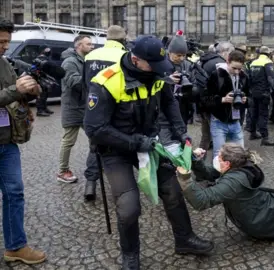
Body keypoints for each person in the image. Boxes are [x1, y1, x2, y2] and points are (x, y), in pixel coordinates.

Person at [84, 36, 213, 269]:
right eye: (153, 65)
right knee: (129, 204)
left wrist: (182, 133)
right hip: (116, 149)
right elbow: (95, 129)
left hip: (149, 143)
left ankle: (184, 239)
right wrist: (134, 142)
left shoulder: (157, 75)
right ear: (136, 60)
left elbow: (169, 105)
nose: (159, 71)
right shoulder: (106, 82)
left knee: (172, 190)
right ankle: (130, 255)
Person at [175, 143, 274, 240]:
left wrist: (185, 178)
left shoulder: (233, 181)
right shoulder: (240, 165)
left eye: (218, 156)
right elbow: (210, 173)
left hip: (268, 219)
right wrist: (195, 160)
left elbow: (201, 201)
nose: (216, 158)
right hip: (269, 208)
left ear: (227, 164)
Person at [0, 18, 46, 265]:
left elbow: (14, 93)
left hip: (7, 141)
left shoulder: (5, 63)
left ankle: (15, 246)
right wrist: (15, 90)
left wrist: (30, 92)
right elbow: (9, 92)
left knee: (15, 193)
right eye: (0, 41)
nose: (5, 46)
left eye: (7, 41)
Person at [82, 25, 127, 201]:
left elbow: (85, 84)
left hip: (93, 107)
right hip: (117, 109)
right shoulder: (124, 56)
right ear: (123, 40)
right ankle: (121, 187)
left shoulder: (91, 55)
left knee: (95, 146)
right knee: (119, 147)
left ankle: (90, 184)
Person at [57, 35, 94, 183]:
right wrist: (94, 79)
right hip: (72, 107)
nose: (92, 46)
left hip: (85, 107)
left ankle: (96, 164)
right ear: (79, 46)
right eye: (89, 44)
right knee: (68, 141)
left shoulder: (86, 60)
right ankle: (62, 171)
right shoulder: (69, 62)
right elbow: (74, 82)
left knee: (95, 136)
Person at [201, 50, 249, 158]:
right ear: (227, 62)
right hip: (219, 121)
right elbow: (204, 100)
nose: (237, 72)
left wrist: (246, 100)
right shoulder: (217, 75)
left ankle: (234, 174)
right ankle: (218, 174)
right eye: (234, 68)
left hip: (236, 121)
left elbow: (250, 98)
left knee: (240, 155)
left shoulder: (244, 77)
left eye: (239, 69)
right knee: (219, 156)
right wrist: (222, 100)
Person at [249, 46, 274, 146]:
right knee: (263, 115)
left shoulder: (253, 62)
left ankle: (252, 133)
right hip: (264, 93)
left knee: (254, 113)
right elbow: (271, 78)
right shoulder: (267, 62)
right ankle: (265, 137)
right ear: (268, 53)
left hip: (253, 92)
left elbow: (249, 77)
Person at [34, 46, 54, 117]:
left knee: (45, 94)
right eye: (47, 50)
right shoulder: (39, 58)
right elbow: (35, 69)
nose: (49, 51)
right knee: (41, 95)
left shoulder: (45, 58)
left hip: (46, 79)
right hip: (41, 79)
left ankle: (44, 108)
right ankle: (40, 110)